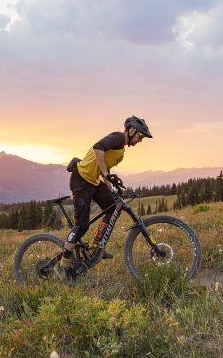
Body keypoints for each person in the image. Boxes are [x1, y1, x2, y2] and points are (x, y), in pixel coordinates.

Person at [54, 116, 153, 282]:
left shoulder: (121, 150)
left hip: (93, 181)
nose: (140, 140)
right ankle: (63, 263)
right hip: (81, 180)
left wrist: (110, 186)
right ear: (131, 130)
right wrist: (106, 175)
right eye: (140, 136)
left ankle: (96, 248)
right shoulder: (117, 138)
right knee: (82, 224)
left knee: (113, 207)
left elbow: (104, 167)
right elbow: (98, 148)